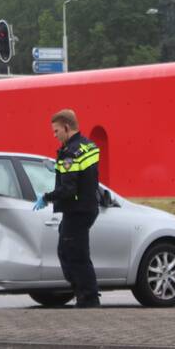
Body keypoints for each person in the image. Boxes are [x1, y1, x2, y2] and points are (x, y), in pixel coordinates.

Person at [33, 109, 101, 308]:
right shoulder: (88, 146)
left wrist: (46, 197)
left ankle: (87, 298)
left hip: (77, 210)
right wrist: (58, 168)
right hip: (88, 207)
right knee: (73, 251)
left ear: (66, 127)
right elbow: (82, 175)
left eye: (56, 131)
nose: (54, 135)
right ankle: (86, 294)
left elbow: (69, 188)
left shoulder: (69, 153)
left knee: (73, 254)